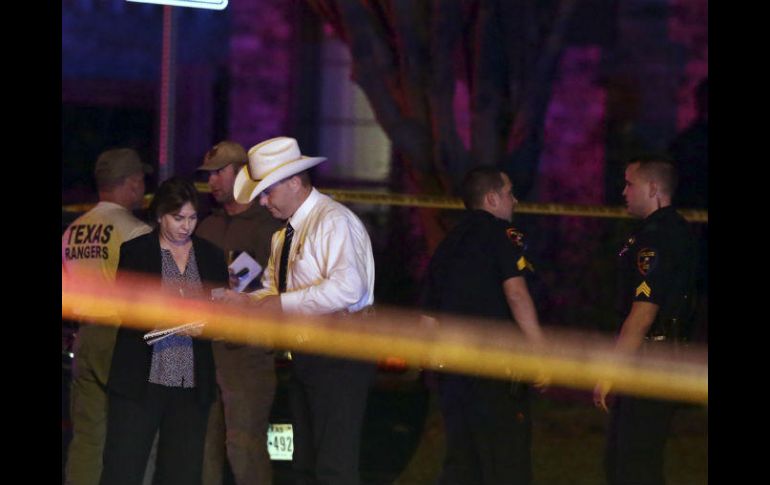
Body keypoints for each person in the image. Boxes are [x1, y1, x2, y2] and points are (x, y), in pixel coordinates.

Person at [229, 136, 376, 485]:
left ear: (295, 182)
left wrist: (280, 304)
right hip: (308, 354)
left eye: (268, 192)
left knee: (332, 466)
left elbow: (348, 288)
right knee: (305, 464)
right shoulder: (283, 236)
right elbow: (273, 290)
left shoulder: (332, 221)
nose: (263, 201)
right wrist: (243, 303)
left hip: (341, 352)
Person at [422, 166, 546, 485]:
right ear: (491, 199)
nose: (514, 200)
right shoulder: (501, 235)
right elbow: (516, 293)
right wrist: (539, 352)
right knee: (507, 463)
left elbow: (428, 317)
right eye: (509, 193)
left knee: (462, 464)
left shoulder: (447, 244)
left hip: (455, 374)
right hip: (496, 372)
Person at [100, 177, 228, 485]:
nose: (187, 226)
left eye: (193, 218)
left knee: (182, 473)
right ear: (160, 215)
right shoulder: (136, 252)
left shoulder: (210, 255)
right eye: (178, 218)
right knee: (123, 469)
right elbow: (125, 309)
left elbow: (223, 314)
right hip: (141, 380)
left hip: (190, 384)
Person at [593, 158, 697, 485]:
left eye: (630, 184)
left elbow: (643, 312)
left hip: (650, 360)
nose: (624, 191)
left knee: (633, 466)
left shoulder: (657, 238)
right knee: (628, 462)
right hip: (659, 357)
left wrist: (612, 370)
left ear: (653, 189)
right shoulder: (670, 230)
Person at [62, 148, 152, 485]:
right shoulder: (135, 231)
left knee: (88, 437)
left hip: (85, 337)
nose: (143, 187)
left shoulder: (72, 231)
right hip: (124, 338)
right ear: (131, 182)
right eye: (141, 180)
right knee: (138, 435)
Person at [195, 141, 283, 485]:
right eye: (209, 175)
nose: (212, 182)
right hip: (206, 350)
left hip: (247, 353)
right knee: (204, 447)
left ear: (242, 173)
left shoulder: (268, 228)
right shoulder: (206, 227)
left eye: (219, 173)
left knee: (244, 447)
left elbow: (281, 290)